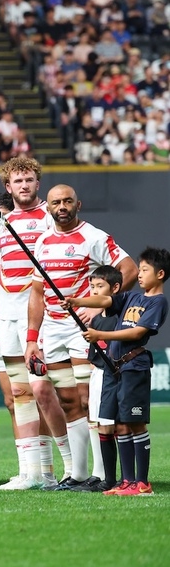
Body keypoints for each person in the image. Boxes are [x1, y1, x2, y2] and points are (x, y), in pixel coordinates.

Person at [25, 184, 137, 489]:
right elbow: (37, 293)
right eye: (55, 202)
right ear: (47, 208)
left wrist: (100, 306)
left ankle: (102, 475)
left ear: (78, 204)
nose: (62, 206)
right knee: (68, 400)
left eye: (67, 201)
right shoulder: (43, 242)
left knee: (90, 400)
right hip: (53, 329)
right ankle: (78, 473)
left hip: (83, 330)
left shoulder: (95, 237)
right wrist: (32, 339)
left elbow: (129, 269)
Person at [62, 247, 170, 496]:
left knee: (135, 424)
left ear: (161, 274)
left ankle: (142, 483)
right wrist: (77, 301)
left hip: (134, 367)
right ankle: (126, 481)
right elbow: (105, 300)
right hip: (117, 370)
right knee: (120, 423)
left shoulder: (158, 302)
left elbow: (137, 333)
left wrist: (101, 335)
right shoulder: (132, 297)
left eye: (144, 270)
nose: (139, 275)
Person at [0, 158, 60, 490]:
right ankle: (31, 472)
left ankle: (58, 469)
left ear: (37, 183)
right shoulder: (2, 227)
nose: (24, 185)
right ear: (8, 187)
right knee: (19, 393)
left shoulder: (50, 219)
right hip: (6, 317)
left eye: (29, 179)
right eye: (18, 181)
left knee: (45, 390)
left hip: (40, 315)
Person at [70, 265, 122, 492]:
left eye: (100, 286)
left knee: (113, 426)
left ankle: (117, 479)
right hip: (97, 375)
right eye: (92, 287)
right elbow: (94, 355)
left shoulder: (119, 318)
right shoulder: (96, 320)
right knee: (100, 424)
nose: (94, 291)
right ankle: (105, 478)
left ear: (116, 288)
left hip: (113, 377)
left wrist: (75, 301)